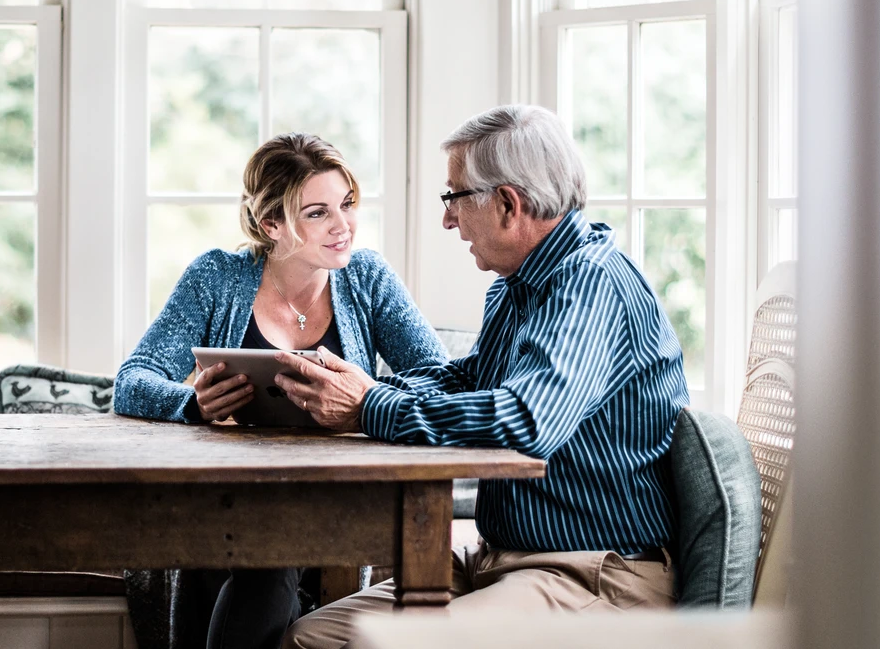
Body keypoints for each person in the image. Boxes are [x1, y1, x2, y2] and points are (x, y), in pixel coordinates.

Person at [270, 105, 691, 648]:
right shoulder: (515, 288)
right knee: (308, 638)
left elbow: (526, 420)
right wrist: (357, 388)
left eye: (455, 198)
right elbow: (469, 382)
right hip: (502, 557)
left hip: (593, 571)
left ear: (508, 205)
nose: (448, 220)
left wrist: (369, 407)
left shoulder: (590, 283)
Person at [113, 133, 448, 649]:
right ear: (271, 223)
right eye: (318, 213)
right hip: (226, 498)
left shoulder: (368, 279)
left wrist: (364, 394)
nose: (343, 225)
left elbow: (439, 378)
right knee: (255, 561)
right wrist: (191, 404)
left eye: (347, 204)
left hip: (331, 500)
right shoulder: (215, 278)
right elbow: (133, 380)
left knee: (269, 559)